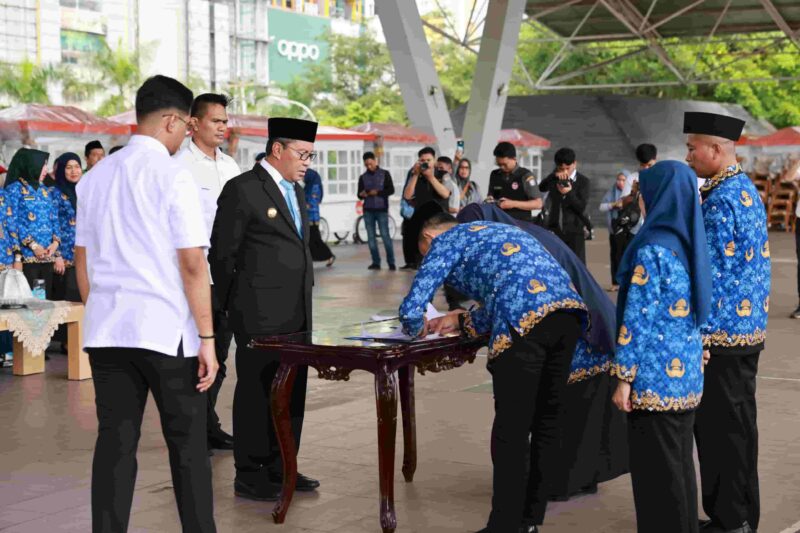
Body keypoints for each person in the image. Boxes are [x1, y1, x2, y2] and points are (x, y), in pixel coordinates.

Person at [75, 75, 218, 533]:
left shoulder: (94, 178)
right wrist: (208, 339)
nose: (187, 135)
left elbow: (83, 261)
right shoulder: (174, 175)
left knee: (115, 442)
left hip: (108, 332)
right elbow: (193, 264)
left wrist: (101, 312)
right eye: (188, 126)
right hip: (166, 334)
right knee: (188, 447)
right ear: (174, 121)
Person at [400, 214, 603, 533]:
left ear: (428, 236)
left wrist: (414, 329)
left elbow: (413, 306)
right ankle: (529, 522)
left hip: (525, 327)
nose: (428, 258)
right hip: (567, 317)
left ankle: (504, 525)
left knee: (512, 429)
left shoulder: (445, 241)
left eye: (423, 252)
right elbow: (510, 287)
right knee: (546, 423)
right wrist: (462, 320)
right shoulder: (499, 230)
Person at [457, 203, 628, 504]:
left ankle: (552, 486)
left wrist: (464, 322)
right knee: (575, 414)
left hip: (579, 334)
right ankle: (579, 479)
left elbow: (512, 300)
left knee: (560, 413)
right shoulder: (525, 233)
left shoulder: (514, 245)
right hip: (589, 325)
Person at [209, 117, 320, 501]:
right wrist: (232, 308)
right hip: (257, 314)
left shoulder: (297, 191)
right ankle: (251, 471)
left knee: (293, 390)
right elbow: (222, 256)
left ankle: (283, 465)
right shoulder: (243, 189)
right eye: (302, 154)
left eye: (310, 155)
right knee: (258, 390)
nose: (306, 162)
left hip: (297, 311)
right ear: (277, 149)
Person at [611, 160, 712, 533]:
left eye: (643, 193)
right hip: (686, 378)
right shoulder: (690, 244)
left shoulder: (652, 250)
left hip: (653, 379)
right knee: (680, 465)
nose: (639, 201)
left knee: (657, 475)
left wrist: (623, 378)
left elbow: (636, 321)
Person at [684, 111, 770, 533]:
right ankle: (738, 516)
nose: (688, 155)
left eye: (692, 147)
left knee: (721, 433)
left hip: (723, 336)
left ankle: (730, 521)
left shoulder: (719, 200)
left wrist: (696, 333)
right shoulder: (744, 190)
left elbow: (709, 274)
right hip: (745, 331)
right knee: (738, 430)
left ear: (716, 150)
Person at [174, 92, 241, 453]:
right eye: (216, 121)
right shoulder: (178, 166)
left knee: (222, 353)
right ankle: (191, 426)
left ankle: (207, 422)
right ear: (193, 123)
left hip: (227, 276)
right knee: (194, 354)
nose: (222, 127)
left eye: (225, 121)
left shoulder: (230, 166)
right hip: (193, 277)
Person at [4, 148, 59, 298]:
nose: (45, 170)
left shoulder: (45, 191)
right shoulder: (15, 189)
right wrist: (33, 246)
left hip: (47, 257)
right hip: (27, 258)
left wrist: (55, 244)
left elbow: (54, 219)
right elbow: (12, 222)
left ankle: (42, 322)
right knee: (29, 304)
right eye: (43, 165)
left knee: (42, 301)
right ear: (32, 165)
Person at [538, 148, 591, 262]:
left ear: (574, 164)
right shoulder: (554, 178)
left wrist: (569, 192)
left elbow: (581, 207)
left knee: (577, 265)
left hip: (575, 230)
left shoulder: (583, 181)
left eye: (568, 168)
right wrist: (553, 175)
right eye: (561, 168)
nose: (565, 172)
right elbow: (541, 187)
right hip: (555, 228)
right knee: (555, 263)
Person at [402, 147, 451, 269]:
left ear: (434, 161)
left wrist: (431, 177)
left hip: (439, 219)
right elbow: (407, 195)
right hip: (420, 219)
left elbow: (445, 193)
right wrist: (415, 175)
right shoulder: (414, 173)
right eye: (422, 160)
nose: (425, 163)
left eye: (428, 160)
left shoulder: (443, 174)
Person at [52, 153, 82, 303]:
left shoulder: (84, 192)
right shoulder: (54, 193)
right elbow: (52, 225)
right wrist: (57, 255)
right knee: (67, 304)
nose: (74, 171)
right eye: (69, 167)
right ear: (61, 170)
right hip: (64, 261)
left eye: (77, 166)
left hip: (83, 259)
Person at [357, 151, 395, 270]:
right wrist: (362, 194)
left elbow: (391, 190)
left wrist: (378, 192)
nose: (369, 166)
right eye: (366, 165)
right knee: (371, 237)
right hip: (368, 210)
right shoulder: (362, 177)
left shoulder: (385, 174)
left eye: (370, 163)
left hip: (382, 209)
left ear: (375, 161)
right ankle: (376, 262)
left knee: (385, 235)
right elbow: (359, 194)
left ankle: (391, 262)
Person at [487, 142, 543, 222]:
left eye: (505, 164)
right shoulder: (495, 175)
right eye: (499, 164)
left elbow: (538, 203)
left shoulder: (525, 176)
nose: (502, 167)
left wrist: (512, 204)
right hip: (499, 222)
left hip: (520, 224)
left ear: (514, 159)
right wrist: (490, 200)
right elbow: (491, 195)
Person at [599, 170, 632, 291]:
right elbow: (602, 206)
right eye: (619, 179)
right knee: (615, 256)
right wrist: (613, 205)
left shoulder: (632, 192)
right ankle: (616, 282)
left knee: (628, 256)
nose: (620, 182)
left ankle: (628, 282)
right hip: (615, 229)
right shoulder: (612, 192)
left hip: (630, 230)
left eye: (624, 180)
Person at [304, 167, 335, 266]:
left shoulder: (314, 187)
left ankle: (329, 256)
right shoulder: (309, 186)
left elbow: (312, 203)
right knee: (311, 239)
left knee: (315, 239)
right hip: (308, 217)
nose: (303, 178)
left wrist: (305, 205)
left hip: (312, 217)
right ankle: (314, 258)